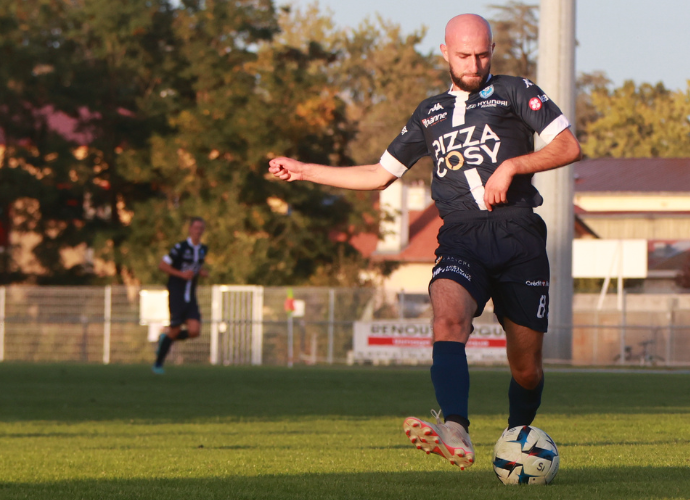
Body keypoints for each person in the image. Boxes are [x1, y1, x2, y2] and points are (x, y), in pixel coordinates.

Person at [267, 14, 580, 471]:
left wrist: (513, 167)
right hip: (460, 235)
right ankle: (455, 427)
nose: (474, 64)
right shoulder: (429, 113)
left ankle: (516, 442)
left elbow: (568, 146)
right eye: (464, 56)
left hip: (518, 235)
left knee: (526, 368)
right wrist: (305, 170)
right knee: (447, 317)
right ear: (445, 53)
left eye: (482, 54)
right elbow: (379, 175)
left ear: (492, 49)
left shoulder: (517, 91)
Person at [153, 217, 209, 374]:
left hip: (190, 296)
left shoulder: (203, 249)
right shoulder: (180, 247)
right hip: (177, 294)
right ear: (190, 229)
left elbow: (195, 268)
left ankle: (166, 339)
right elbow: (162, 265)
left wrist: (201, 272)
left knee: (194, 331)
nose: (198, 231)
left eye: (201, 228)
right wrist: (181, 275)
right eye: (196, 227)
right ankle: (158, 364)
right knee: (175, 330)